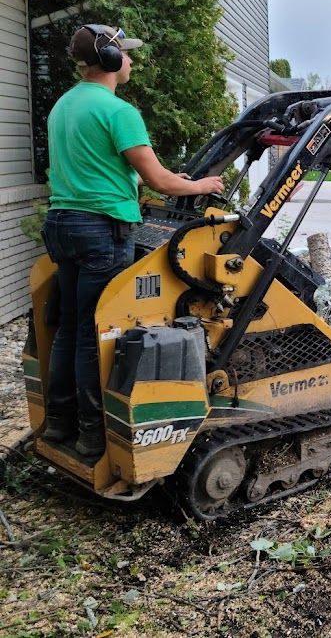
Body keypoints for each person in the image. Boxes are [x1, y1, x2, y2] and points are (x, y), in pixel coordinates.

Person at [40, 24, 224, 459]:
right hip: (101, 233)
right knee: (96, 333)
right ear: (109, 60)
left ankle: (58, 426)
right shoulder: (118, 112)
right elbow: (157, 176)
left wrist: (154, 186)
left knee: (70, 327)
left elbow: (97, 172)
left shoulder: (63, 106)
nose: (132, 61)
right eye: (126, 54)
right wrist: (200, 186)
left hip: (63, 224)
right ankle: (92, 437)